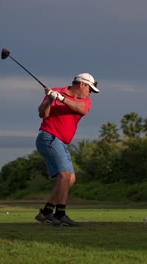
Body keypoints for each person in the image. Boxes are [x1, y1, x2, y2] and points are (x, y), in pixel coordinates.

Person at [34, 73, 99, 227]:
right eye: (90, 89)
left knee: (70, 179)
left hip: (61, 142)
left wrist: (61, 98)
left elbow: (81, 109)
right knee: (64, 175)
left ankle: (46, 212)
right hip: (49, 138)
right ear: (82, 84)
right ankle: (60, 214)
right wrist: (50, 100)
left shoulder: (85, 101)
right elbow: (42, 114)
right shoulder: (56, 91)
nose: (91, 93)